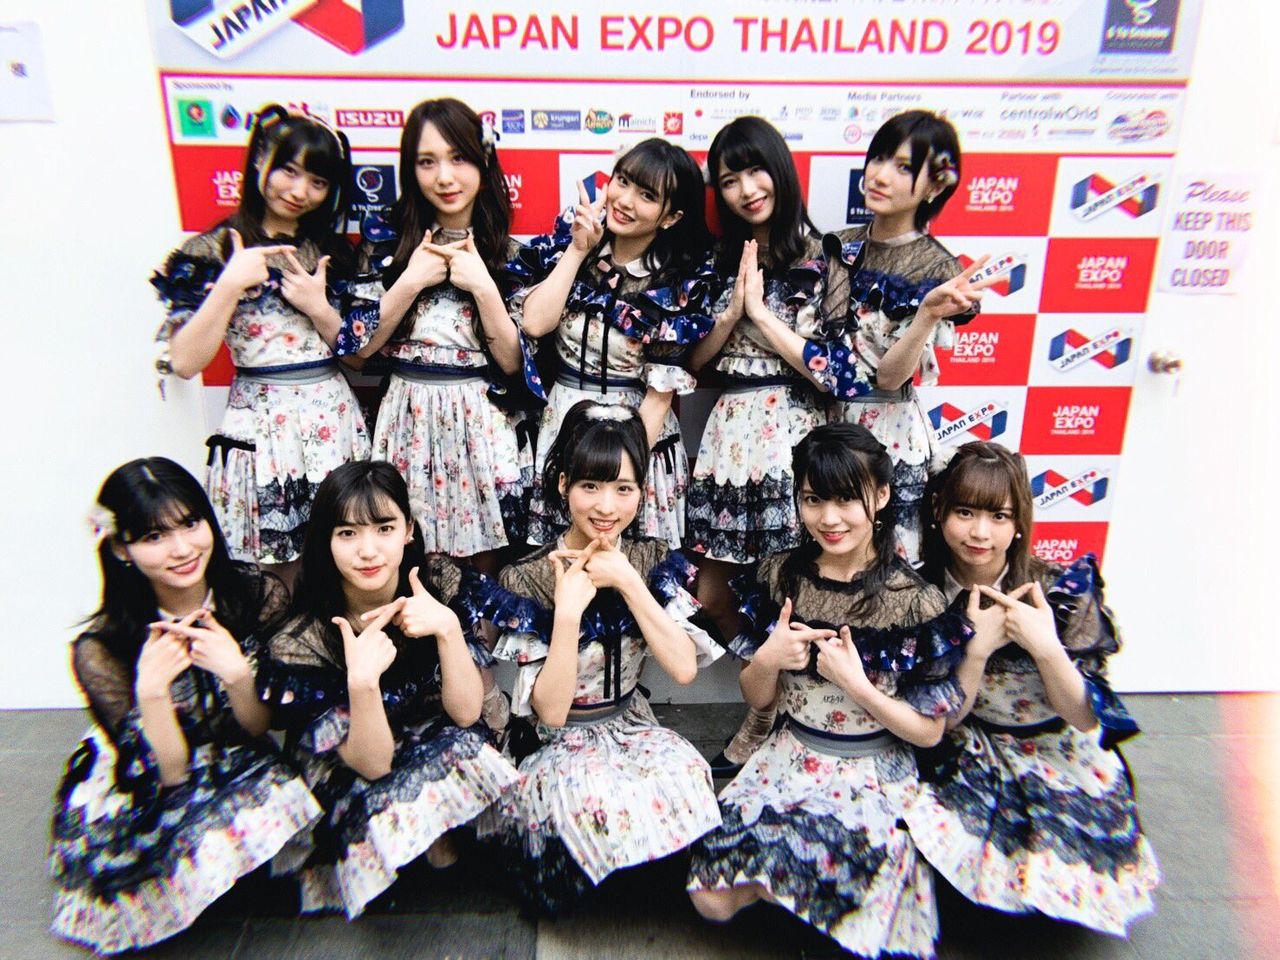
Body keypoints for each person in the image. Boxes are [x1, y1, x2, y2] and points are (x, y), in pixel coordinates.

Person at [687, 424, 970, 959]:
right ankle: (804, 888)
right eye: (813, 500)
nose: (829, 519)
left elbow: (929, 733)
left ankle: (820, 890)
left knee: (849, 918)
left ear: (881, 496)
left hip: (871, 772)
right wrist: (768, 657)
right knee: (711, 899)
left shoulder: (915, 600)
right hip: (790, 756)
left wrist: (859, 687)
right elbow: (758, 698)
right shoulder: (780, 576)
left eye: (845, 500)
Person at [50, 458, 320, 954]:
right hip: (147, 773)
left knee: (283, 798)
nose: (182, 549)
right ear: (120, 548)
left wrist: (237, 675)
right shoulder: (101, 648)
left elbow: (260, 727)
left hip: (233, 748)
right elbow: (166, 774)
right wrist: (151, 694)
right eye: (154, 537)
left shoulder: (256, 595)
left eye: (191, 524)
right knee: (166, 861)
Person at [905, 441, 1159, 934]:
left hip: (1054, 743)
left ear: (1019, 521)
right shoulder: (919, 595)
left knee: (1067, 861)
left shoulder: (1060, 591)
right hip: (969, 740)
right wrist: (976, 652)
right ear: (938, 512)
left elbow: (1083, 718)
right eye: (965, 512)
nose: (980, 533)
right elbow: (942, 721)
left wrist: (1046, 647)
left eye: (999, 516)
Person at [484, 400, 723, 915]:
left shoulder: (649, 558)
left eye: (623, 488)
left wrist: (630, 583)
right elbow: (550, 712)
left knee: (687, 772)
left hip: (630, 724)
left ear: (642, 491)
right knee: (589, 799)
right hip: (557, 739)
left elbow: (684, 668)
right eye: (590, 486)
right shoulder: (527, 576)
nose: (606, 507)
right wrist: (568, 613)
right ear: (563, 485)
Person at [259, 461, 520, 918]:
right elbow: (373, 764)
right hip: (355, 755)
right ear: (326, 541)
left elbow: (465, 713)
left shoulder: (438, 582)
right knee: (373, 810)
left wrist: (447, 629)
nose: (368, 551)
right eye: (347, 533)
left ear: (408, 530)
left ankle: (436, 840)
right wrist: (362, 683)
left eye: (384, 528)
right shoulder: (305, 637)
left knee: (475, 753)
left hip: (427, 726)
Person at [685, 115, 859, 774]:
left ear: (780, 169)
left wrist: (761, 317)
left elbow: (836, 373)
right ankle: (767, 702)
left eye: (755, 171)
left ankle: (778, 718)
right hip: (730, 439)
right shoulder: (717, 260)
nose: (746, 190)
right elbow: (691, 364)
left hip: (799, 438)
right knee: (712, 590)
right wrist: (732, 311)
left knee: (801, 589)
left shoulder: (825, 257)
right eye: (729, 180)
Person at [152, 104, 369, 576]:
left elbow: (360, 359)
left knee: (345, 557)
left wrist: (319, 307)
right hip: (259, 423)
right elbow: (185, 362)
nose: (299, 191)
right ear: (258, 161)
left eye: (317, 181)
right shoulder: (210, 250)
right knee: (272, 567)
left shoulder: (333, 253)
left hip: (331, 418)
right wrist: (229, 285)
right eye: (288, 171)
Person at [336, 98, 543, 566]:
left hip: (480, 420)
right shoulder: (386, 243)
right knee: (407, 556)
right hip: (406, 419)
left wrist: (484, 288)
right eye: (427, 162)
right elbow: (356, 353)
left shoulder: (510, 253)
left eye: (458, 158)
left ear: (483, 162)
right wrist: (409, 281)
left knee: (486, 566)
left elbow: (514, 364)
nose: (444, 177)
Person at [512, 138, 715, 548]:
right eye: (622, 181)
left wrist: (623, 472)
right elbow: (534, 323)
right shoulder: (571, 243)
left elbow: (660, 395)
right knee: (561, 562)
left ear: (671, 217)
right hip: (564, 424)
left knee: (629, 563)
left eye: (646, 195)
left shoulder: (677, 284)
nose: (625, 200)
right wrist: (577, 250)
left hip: (637, 435)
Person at [814, 110, 996, 563]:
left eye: (903, 167)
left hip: (889, 433)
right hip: (827, 423)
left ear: (934, 186)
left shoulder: (938, 270)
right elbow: (827, 345)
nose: (879, 176)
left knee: (885, 565)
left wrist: (927, 314)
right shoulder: (840, 246)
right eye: (878, 159)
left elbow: (891, 377)